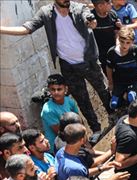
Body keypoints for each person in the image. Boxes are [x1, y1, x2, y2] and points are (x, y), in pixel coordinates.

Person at [0, 0, 112, 134]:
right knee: (82, 100)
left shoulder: (79, 8)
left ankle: (114, 116)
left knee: (103, 91)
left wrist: (91, 22)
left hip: (89, 62)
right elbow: (27, 29)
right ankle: (96, 129)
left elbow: (89, 20)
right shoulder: (46, 13)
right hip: (68, 66)